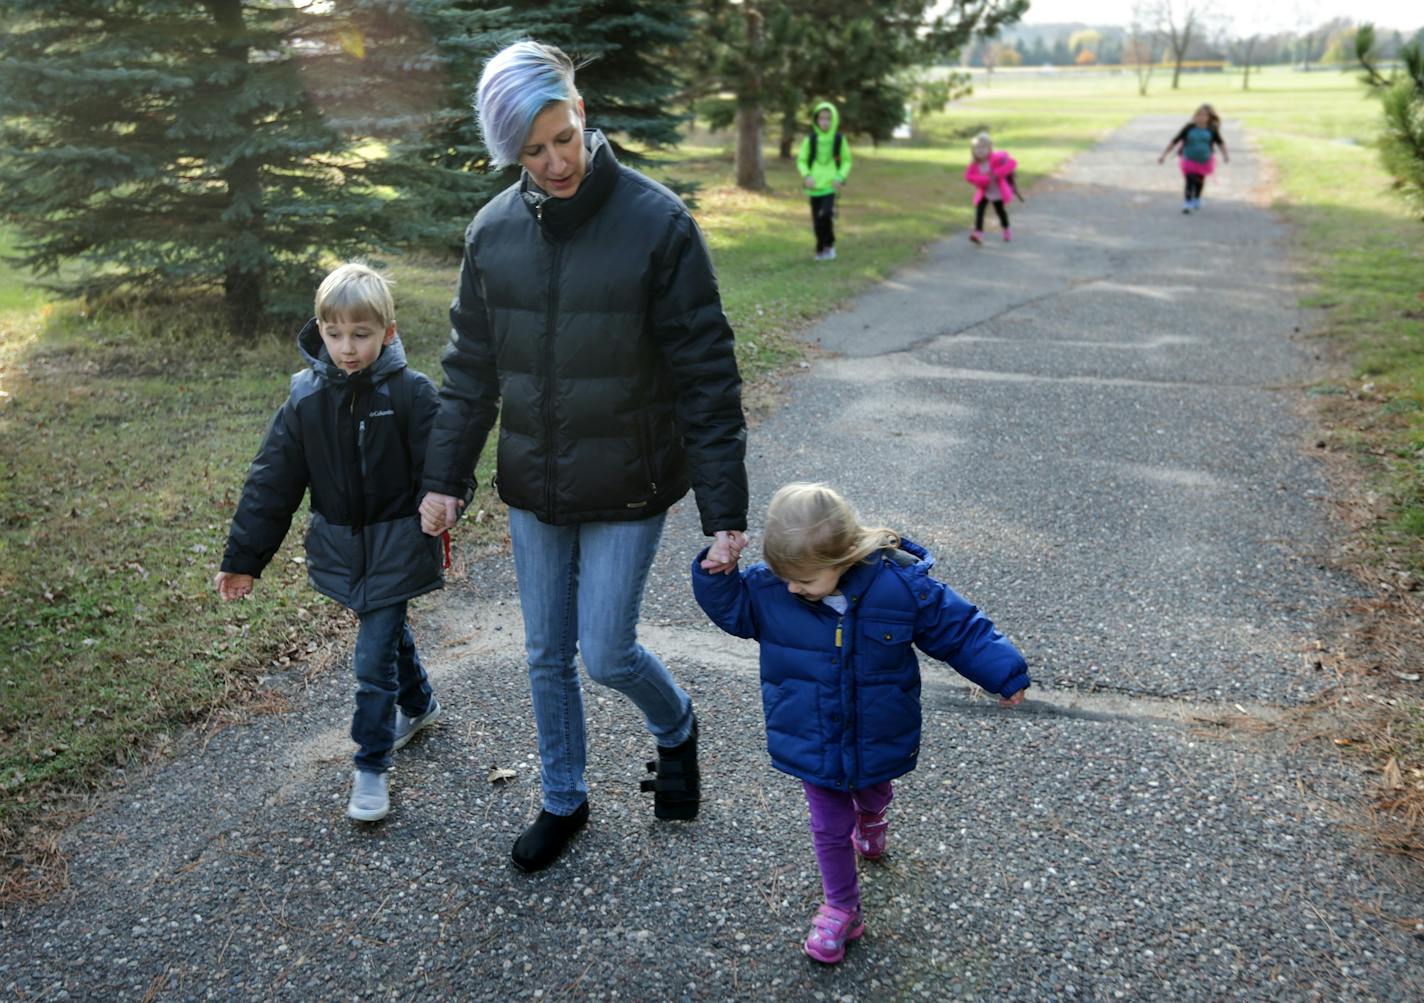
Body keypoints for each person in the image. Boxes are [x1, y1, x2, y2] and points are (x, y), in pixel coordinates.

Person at [418, 41, 749, 873]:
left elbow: (705, 374)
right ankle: (563, 797)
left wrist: (726, 513)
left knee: (605, 651)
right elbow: (469, 372)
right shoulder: (491, 234)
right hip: (536, 481)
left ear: (581, 115)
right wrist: (444, 478)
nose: (555, 161)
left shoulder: (658, 223)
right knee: (543, 651)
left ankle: (676, 726)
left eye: (562, 136)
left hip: (630, 481)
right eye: (532, 150)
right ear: (510, 155)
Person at [690, 482, 1029, 964]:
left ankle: (873, 817)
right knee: (829, 823)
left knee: (872, 788)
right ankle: (842, 907)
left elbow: (960, 631)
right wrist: (718, 574)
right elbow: (734, 611)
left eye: (804, 580)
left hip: (876, 729)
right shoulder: (772, 589)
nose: (793, 588)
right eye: (786, 577)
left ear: (844, 557)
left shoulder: (902, 587)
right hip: (813, 733)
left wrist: (1004, 671)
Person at [215, 263, 445, 824]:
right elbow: (272, 481)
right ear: (319, 329)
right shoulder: (305, 400)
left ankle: (370, 765)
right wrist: (244, 560)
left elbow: (446, 459)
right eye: (334, 333)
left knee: (371, 659)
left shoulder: (411, 393)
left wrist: (445, 496)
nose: (347, 348)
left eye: (361, 334)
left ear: (388, 332)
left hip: (399, 543)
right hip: (341, 548)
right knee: (384, 631)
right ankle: (419, 704)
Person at [795, 101, 852, 261]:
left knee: (826, 215)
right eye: (821, 118)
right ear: (816, 120)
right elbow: (801, 160)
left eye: (828, 118)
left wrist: (840, 177)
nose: (825, 122)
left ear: (833, 120)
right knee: (817, 219)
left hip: (830, 186)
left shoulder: (839, 139)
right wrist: (806, 176)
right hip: (814, 186)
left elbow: (846, 160)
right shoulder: (811, 139)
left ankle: (829, 245)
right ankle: (820, 248)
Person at [1158, 104, 1228, 214]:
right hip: (1188, 158)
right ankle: (1187, 203)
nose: (1201, 117)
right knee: (1190, 179)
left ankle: (1196, 198)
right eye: (1198, 115)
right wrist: (1163, 155)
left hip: (1204, 160)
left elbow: (1221, 143)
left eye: (1204, 115)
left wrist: (1225, 155)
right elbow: (1175, 141)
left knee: (1199, 181)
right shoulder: (1189, 128)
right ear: (1194, 116)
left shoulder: (1212, 130)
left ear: (1209, 118)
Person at [964, 131, 1022, 244]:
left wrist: (997, 173)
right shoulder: (974, 164)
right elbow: (968, 176)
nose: (980, 151)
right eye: (977, 148)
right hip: (984, 191)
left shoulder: (996, 158)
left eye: (983, 148)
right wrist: (982, 179)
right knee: (979, 210)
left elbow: (1012, 163)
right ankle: (978, 233)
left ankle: (1006, 229)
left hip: (997, 191)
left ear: (989, 149)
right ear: (973, 150)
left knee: (1000, 211)